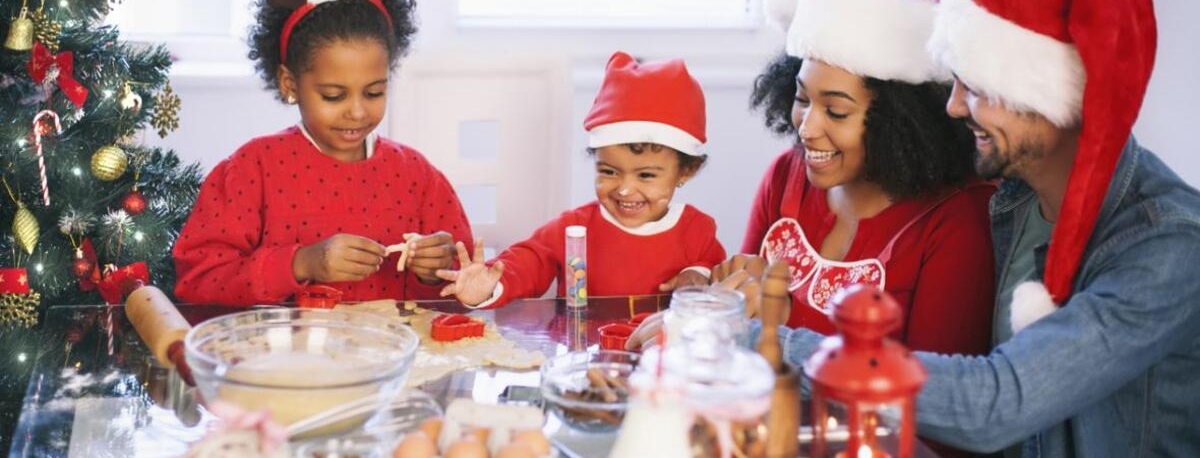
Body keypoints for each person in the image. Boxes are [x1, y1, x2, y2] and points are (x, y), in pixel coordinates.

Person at [697, 0, 1200, 456]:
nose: (954, 107)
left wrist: (761, 341)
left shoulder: (1167, 245)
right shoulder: (1012, 194)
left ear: (1051, 96)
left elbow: (994, 404)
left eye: (977, 88)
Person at [737, 0, 996, 357]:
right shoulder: (785, 174)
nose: (807, 128)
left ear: (900, 122)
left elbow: (937, 388)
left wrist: (779, 318)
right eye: (801, 98)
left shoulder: (958, 221)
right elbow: (740, 303)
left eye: (836, 111)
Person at [173, 0, 472, 305]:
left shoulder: (417, 175)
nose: (356, 111)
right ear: (290, 84)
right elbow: (198, 282)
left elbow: (470, 285)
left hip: (394, 351)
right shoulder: (251, 169)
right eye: (333, 96)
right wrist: (301, 263)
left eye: (374, 93)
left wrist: (435, 272)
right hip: (281, 352)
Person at [435, 51, 726, 309]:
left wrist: (698, 274)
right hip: (586, 359)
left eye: (646, 175)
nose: (624, 189)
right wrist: (489, 284)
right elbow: (528, 261)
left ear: (685, 172)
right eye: (609, 172)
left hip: (661, 362)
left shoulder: (697, 231)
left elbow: (715, 269)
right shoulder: (575, 229)